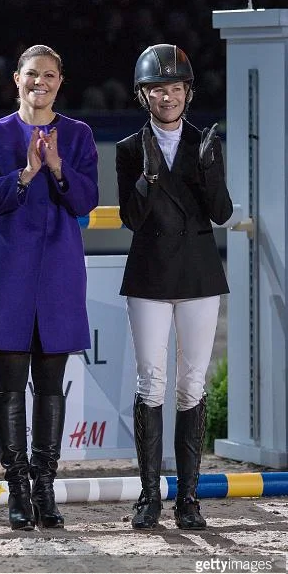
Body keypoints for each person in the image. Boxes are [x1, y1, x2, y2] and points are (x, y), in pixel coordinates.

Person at [0, 45, 99, 531]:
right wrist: (26, 173)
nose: (39, 82)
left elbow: (87, 198)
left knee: (50, 386)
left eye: (48, 75)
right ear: (16, 80)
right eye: (31, 75)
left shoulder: (79, 135)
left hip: (60, 273)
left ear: (60, 81)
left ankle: (46, 488)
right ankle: (18, 491)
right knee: (9, 386)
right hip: (9, 272)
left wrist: (60, 168)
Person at [116, 44, 233, 531]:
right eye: (159, 89)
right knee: (151, 381)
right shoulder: (128, 148)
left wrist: (207, 171)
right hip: (149, 274)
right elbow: (130, 218)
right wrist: (146, 176)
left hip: (199, 273)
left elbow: (222, 213)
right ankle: (149, 496)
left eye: (176, 88)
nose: (169, 97)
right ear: (145, 95)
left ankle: (189, 498)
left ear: (188, 92)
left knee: (191, 383)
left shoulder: (206, 143)